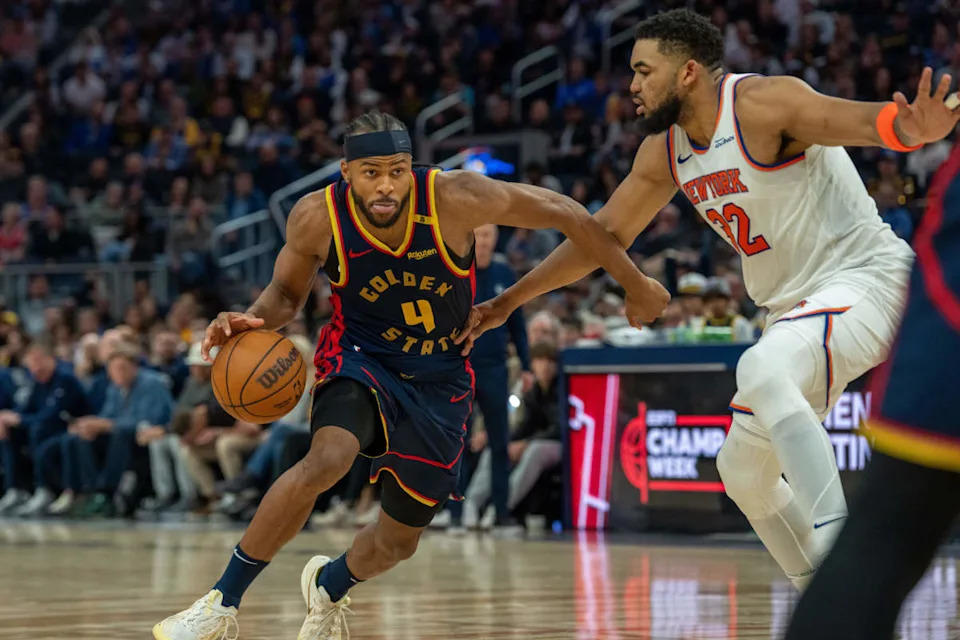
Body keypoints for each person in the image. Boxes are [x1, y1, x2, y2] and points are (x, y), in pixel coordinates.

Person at [457, 9, 959, 592]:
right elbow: (604, 238)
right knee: (741, 471)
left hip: (867, 278)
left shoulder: (763, 104)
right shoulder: (666, 151)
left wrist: (911, 128)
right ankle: (823, 602)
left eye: (644, 71)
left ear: (688, 71)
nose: (633, 86)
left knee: (762, 366)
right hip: (793, 311)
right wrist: (509, 301)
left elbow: (856, 121)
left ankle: (842, 558)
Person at [153, 110, 668, 640]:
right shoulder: (316, 217)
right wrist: (249, 318)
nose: (386, 184)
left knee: (397, 542)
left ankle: (331, 583)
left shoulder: (456, 197)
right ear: (346, 171)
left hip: (440, 374)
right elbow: (286, 295)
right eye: (371, 171)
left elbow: (569, 213)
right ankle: (220, 604)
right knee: (328, 457)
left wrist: (633, 283)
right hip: (360, 355)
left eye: (397, 170)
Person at [783, 142, 960, 639]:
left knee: (884, 533)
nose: (637, 83)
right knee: (886, 531)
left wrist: (895, 125)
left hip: (876, 284)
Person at [452, 223, 531, 532]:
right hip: (461, 369)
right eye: (479, 236)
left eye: (488, 236)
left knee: (500, 442)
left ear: (495, 240)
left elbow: (519, 325)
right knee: (458, 443)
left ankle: (501, 514)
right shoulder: (457, 272)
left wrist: (525, 365)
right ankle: (456, 514)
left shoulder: (504, 273)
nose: (483, 242)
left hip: (496, 370)